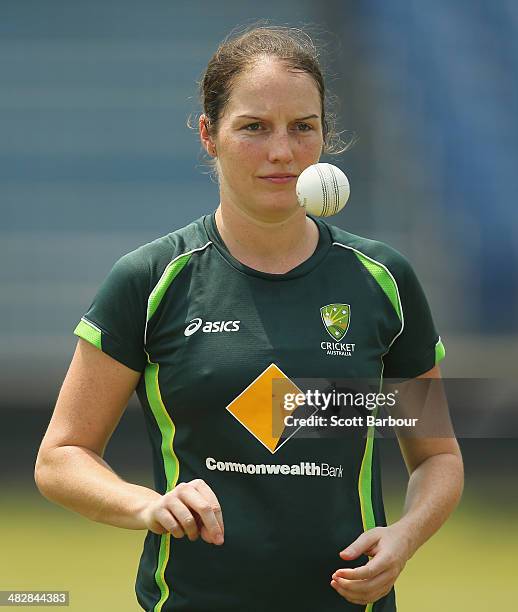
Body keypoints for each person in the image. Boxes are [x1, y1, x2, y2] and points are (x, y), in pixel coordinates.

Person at [34, 25, 464, 612]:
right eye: (254, 127)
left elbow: (437, 455)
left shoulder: (382, 280)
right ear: (209, 136)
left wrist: (405, 537)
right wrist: (147, 505)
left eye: (302, 127)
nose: (282, 152)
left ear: (324, 137)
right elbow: (61, 456)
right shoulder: (150, 279)